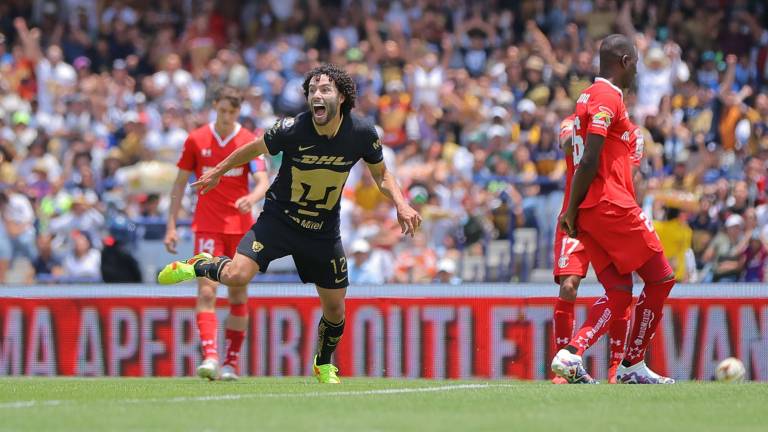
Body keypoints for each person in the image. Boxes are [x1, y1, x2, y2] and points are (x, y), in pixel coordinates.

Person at [158, 64, 421, 384]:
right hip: (279, 220)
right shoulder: (292, 128)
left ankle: (323, 363)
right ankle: (200, 265)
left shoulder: (362, 132)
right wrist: (217, 171)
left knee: (335, 309)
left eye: (324, 90)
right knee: (237, 276)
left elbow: (381, 174)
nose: (316, 95)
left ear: (341, 96)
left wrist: (401, 203)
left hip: (323, 231)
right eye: (312, 91)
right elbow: (253, 148)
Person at [551, 34, 676, 385]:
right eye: (635, 63)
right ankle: (632, 364)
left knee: (620, 294)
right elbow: (590, 158)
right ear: (624, 62)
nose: (636, 70)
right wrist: (570, 209)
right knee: (662, 278)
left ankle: (571, 353)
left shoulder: (586, 97)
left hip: (590, 212)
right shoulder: (607, 97)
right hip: (610, 204)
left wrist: (574, 211)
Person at [163, 85, 269, 381]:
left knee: (238, 292)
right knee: (207, 289)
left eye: (231, 112)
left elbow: (263, 180)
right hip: (208, 225)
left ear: (238, 112)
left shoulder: (248, 141)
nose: (225, 117)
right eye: (221, 110)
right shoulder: (196, 139)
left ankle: (231, 363)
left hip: (241, 228)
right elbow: (179, 183)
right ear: (214, 108)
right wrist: (171, 225)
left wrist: (252, 197)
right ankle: (210, 357)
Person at [550, 113, 644, 384]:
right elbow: (566, 144)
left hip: (611, 215)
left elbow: (629, 171)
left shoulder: (633, 133)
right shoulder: (571, 122)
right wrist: (591, 134)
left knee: (621, 289)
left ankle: (615, 367)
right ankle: (564, 367)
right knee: (568, 286)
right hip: (575, 215)